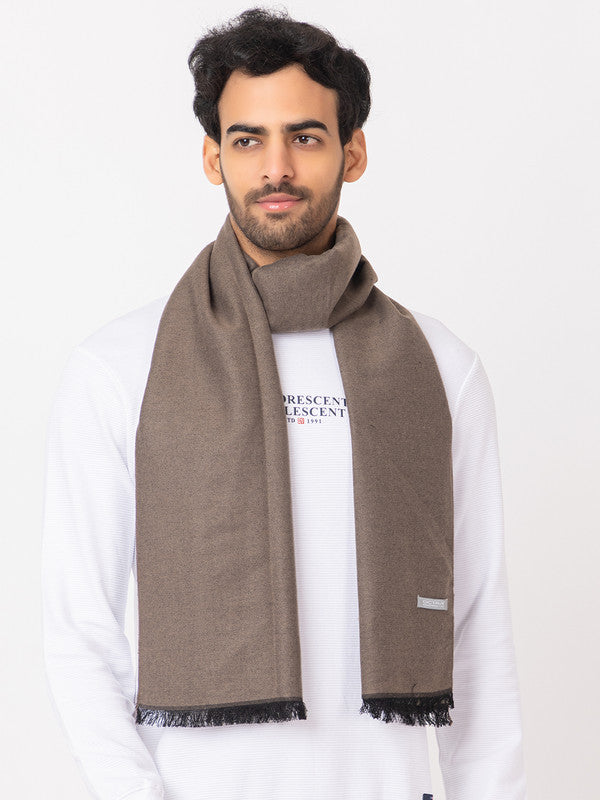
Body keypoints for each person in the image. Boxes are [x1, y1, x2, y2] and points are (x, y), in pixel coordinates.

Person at [41, 7, 528, 800]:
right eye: (247, 140)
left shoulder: (442, 369)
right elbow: (80, 630)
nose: (276, 167)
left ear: (352, 152)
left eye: (304, 137)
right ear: (212, 157)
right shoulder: (121, 368)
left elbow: (478, 626)